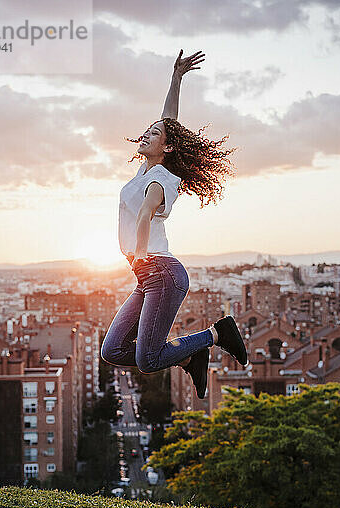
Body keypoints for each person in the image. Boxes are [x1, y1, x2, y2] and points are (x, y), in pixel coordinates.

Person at [101, 49, 248, 400]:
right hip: (148, 276)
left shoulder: (163, 178)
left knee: (149, 360)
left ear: (166, 149)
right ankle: (189, 355)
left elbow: (144, 215)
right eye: (147, 130)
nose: (147, 134)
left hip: (159, 271)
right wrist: (176, 78)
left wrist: (137, 258)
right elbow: (169, 120)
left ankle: (216, 334)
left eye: (155, 134)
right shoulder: (145, 171)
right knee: (112, 351)